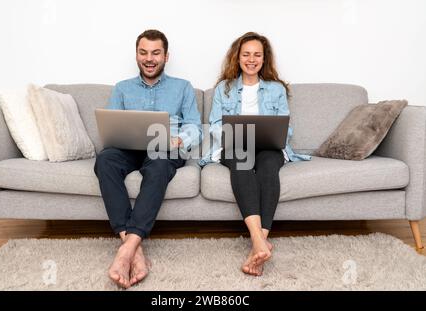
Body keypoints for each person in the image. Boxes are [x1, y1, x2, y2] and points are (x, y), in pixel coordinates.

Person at [94, 29, 202, 288]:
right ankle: (134, 249)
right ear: (136, 55)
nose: (149, 58)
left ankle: (125, 250)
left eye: (156, 53)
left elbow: (195, 126)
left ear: (166, 56)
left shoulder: (182, 87)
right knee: (105, 160)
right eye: (143, 52)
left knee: (160, 165)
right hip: (128, 148)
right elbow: (111, 125)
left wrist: (179, 140)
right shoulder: (122, 88)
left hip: (165, 148)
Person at [199, 32, 311, 276]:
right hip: (235, 145)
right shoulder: (224, 89)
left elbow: (286, 127)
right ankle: (259, 241)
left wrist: (271, 133)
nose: (251, 59)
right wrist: (239, 134)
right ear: (237, 58)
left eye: (257, 55)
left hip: (268, 146)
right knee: (242, 161)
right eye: (246, 54)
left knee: (269, 167)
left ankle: (258, 244)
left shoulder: (276, 89)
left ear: (264, 59)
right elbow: (216, 125)